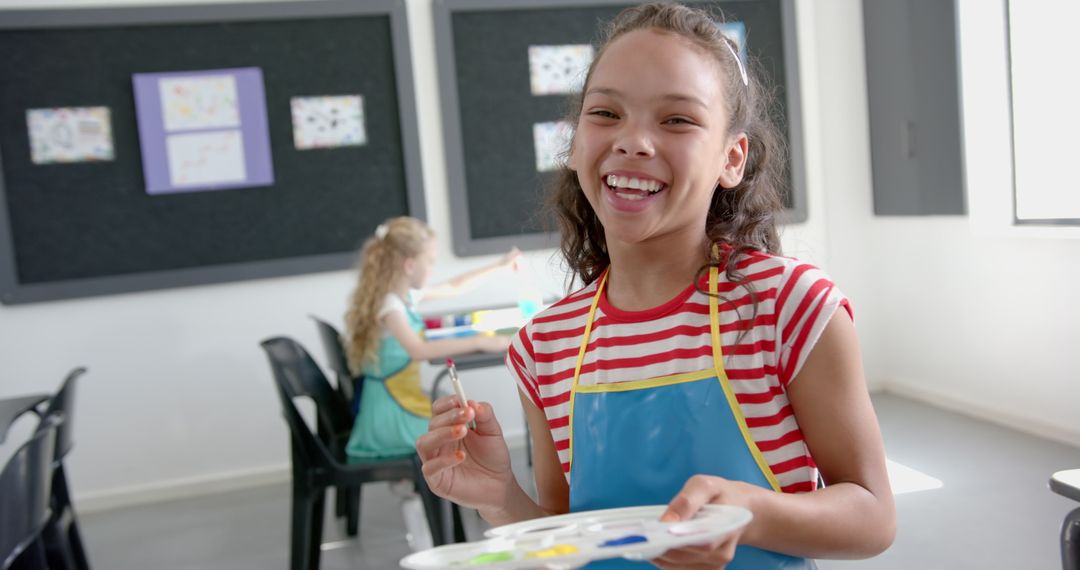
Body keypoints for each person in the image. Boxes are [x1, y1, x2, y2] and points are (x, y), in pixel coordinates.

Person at [417, 3, 895, 569]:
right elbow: (573, 540)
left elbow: (872, 517)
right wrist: (499, 496)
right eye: (605, 113)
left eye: (677, 120)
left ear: (731, 158)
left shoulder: (790, 307)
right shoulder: (544, 346)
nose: (634, 141)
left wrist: (750, 513)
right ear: (575, 144)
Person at [342, 216, 517, 461]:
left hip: (398, 401)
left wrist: (500, 266)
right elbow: (418, 350)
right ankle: (417, 491)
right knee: (460, 433)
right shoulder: (390, 304)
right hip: (390, 413)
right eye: (431, 262)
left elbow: (454, 287)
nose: (433, 269)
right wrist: (480, 342)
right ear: (410, 264)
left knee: (456, 424)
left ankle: (417, 491)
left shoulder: (401, 296)